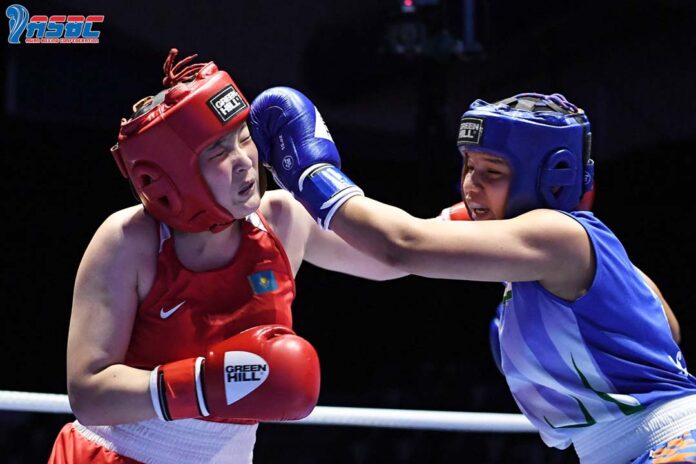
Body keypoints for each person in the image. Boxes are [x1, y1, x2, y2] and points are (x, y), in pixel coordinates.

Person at [250, 88, 696, 463]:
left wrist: (310, 171)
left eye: (493, 172)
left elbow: (403, 244)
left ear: (551, 176)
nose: (471, 185)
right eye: (468, 166)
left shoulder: (560, 235)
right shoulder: (554, 243)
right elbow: (386, 258)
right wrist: (290, 207)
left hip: (671, 443)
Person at [47, 50, 405, 464]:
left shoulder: (283, 221)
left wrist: (473, 214)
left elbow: (390, 257)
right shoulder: (129, 241)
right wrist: (201, 384)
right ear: (174, 173)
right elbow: (89, 393)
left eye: (245, 137)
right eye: (218, 152)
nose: (244, 162)